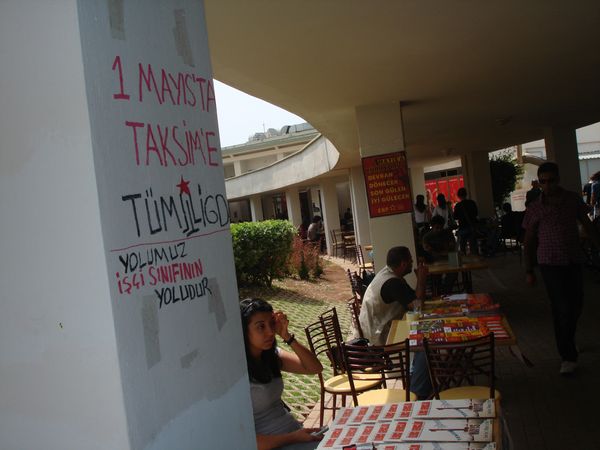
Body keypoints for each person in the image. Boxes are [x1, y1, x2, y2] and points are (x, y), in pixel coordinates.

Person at [523, 162, 600, 375]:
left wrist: (598, 245)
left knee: (576, 305)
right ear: (539, 183)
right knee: (561, 308)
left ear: (558, 180)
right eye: (543, 182)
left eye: (551, 181)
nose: (547, 185)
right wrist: (529, 270)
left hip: (573, 260)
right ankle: (567, 356)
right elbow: (528, 241)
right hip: (549, 263)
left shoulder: (572, 199)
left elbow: (587, 225)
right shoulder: (535, 207)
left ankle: (568, 338)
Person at [240, 298, 324, 450]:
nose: (270, 332)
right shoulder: (237, 374)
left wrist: (287, 337)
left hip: (296, 434)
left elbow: (314, 368)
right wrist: (294, 437)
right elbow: (250, 442)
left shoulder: (271, 356)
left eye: (271, 324)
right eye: (261, 327)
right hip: (278, 444)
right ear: (244, 331)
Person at [357, 246, 431, 399]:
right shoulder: (392, 282)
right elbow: (417, 305)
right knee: (423, 346)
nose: (412, 263)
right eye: (411, 261)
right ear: (403, 264)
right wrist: (421, 280)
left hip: (377, 330)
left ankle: (421, 383)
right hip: (379, 338)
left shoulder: (389, 274)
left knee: (422, 339)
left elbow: (412, 298)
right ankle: (417, 393)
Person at [422, 215, 458, 293]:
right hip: (435, 262)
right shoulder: (427, 237)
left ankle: (446, 291)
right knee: (436, 278)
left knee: (453, 274)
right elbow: (427, 250)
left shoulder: (448, 233)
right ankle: (440, 291)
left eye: (441, 227)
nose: (439, 230)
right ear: (432, 227)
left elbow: (453, 247)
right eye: (437, 228)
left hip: (449, 260)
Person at [453, 187, 479, 255]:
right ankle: (474, 257)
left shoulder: (458, 206)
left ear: (458, 196)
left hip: (463, 227)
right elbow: (476, 213)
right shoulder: (472, 203)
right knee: (473, 245)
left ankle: (464, 258)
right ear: (466, 194)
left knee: (463, 246)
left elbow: (455, 217)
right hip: (472, 226)